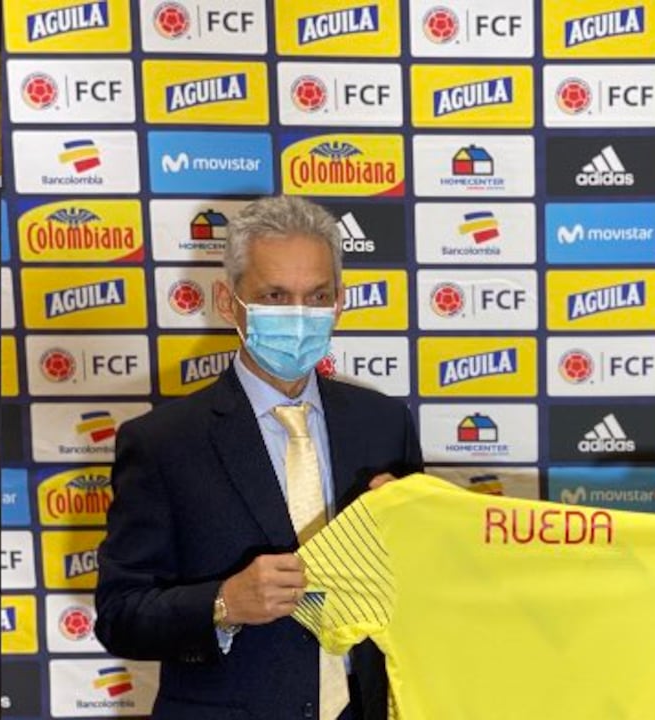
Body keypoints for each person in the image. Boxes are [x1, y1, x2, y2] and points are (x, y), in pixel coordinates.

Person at [96, 196, 421, 720]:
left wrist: (424, 529)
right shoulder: (163, 442)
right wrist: (223, 604)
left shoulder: (383, 423)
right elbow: (120, 617)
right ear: (229, 303)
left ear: (340, 303)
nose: (300, 315)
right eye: (275, 295)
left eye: (317, 296)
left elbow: (418, 587)